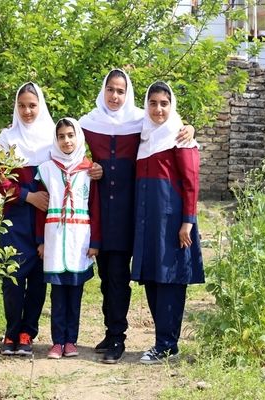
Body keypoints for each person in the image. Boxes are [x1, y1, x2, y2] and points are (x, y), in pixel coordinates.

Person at [79, 69, 195, 364]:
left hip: (158, 217)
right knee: (119, 278)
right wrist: (92, 166)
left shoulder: (154, 129)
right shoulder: (96, 125)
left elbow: (188, 171)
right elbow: (68, 148)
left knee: (162, 276)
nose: (115, 96)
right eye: (111, 90)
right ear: (103, 91)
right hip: (122, 214)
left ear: (129, 93)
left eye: (121, 90)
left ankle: (164, 342)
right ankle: (121, 334)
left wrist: (187, 221)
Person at [132, 81, 204, 365]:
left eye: (164, 103)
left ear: (171, 105)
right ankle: (163, 341)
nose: (158, 109)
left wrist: (188, 221)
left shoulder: (180, 137)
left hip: (173, 223)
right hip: (148, 223)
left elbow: (191, 182)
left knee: (170, 281)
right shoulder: (145, 136)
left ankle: (166, 344)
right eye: (153, 103)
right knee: (152, 278)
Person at [0, 82, 53, 356]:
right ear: (15, 108)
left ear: (40, 106)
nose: (27, 111)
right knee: (12, 277)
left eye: (32, 105)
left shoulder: (52, 137)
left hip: (44, 219)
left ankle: (28, 332)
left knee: (38, 280)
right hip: (15, 217)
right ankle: (11, 331)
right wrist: (28, 196)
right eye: (22, 105)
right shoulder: (7, 138)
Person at [35, 117, 101, 359]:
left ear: (79, 137)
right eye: (61, 136)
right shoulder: (47, 169)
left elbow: (96, 208)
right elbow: (39, 209)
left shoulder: (89, 171)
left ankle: (71, 340)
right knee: (57, 293)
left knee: (75, 292)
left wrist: (95, 243)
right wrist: (40, 240)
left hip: (79, 240)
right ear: (56, 139)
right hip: (54, 239)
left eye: (70, 135)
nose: (66, 141)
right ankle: (56, 341)